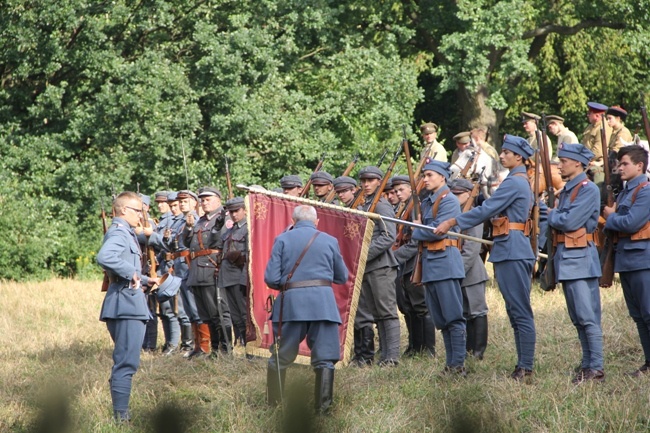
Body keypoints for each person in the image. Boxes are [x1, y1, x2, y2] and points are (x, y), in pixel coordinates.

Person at [435, 134, 536, 381]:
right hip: (508, 248)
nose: (501, 156)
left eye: (505, 153)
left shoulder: (515, 182)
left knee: (520, 311)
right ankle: (523, 365)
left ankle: (525, 367)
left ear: (519, 157)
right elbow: (492, 205)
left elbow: (488, 210)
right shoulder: (516, 180)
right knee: (515, 311)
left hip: (512, 250)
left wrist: (453, 220)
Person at [264, 205, 348, 414]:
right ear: (316, 222)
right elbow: (341, 276)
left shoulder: (282, 239)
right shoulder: (330, 240)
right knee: (326, 359)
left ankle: (274, 405)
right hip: (323, 306)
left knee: (281, 356)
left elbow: (271, 278)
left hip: (292, 306)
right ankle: (323, 409)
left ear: (293, 221)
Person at [97, 191, 159, 422]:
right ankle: (121, 417)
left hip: (126, 301)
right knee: (126, 363)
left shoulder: (126, 233)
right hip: (126, 304)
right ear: (123, 210)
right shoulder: (120, 232)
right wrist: (131, 273)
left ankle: (121, 411)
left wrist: (144, 279)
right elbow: (105, 257)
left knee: (125, 361)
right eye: (137, 211)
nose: (141, 217)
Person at [548, 143, 604, 384]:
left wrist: (551, 215)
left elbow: (570, 222)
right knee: (577, 317)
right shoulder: (570, 189)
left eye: (563, 160)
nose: (559, 164)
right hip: (568, 257)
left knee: (587, 316)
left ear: (578, 163)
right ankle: (587, 363)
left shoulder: (587, 189)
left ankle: (597, 367)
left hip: (580, 256)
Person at [411, 161, 466, 375]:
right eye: (424, 175)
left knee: (453, 316)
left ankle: (458, 364)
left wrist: (416, 230)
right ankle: (450, 364)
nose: (425, 179)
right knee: (441, 319)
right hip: (431, 264)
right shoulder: (428, 201)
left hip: (445, 263)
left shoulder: (448, 201)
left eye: (430, 175)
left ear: (443, 177)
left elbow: (437, 231)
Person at [603, 145, 650, 377]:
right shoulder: (624, 192)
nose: (620, 168)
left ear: (639, 166)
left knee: (649, 313)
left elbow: (631, 223)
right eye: (619, 164)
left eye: (625, 164)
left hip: (643, 260)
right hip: (627, 259)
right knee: (639, 316)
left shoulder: (645, 190)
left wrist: (610, 217)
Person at [356, 166, 400, 366]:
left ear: (379, 182)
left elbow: (389, 236)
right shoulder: (365, 205)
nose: (366, 184)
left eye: (371, 180)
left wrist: (363, 254)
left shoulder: (381, 205)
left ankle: (392, 357)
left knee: (387, 312)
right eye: (363, 180)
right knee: (377, 314)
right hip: (368, 267)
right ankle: (385, 355)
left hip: (381, 266)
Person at [391, 175, 436, 357]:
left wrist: (394, 258)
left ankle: (428, 349)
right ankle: (414, 346)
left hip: (415, 260)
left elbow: (416, 241)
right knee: (407, 306)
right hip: (404, 262)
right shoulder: (403, 208)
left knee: (420, 306)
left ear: (411, 189)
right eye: (395, 191)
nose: (397, 193)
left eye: (401, 189)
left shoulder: (417, 208)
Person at [183, 186, 231, 356]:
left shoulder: (224, 219)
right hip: (197, 272)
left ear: (218, 199)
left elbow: (219, 242)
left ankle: (225, 351)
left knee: (218, 312)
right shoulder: (200, 221)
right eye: (202, 200)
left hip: (213, 270)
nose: (204, 202)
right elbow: (188, 244)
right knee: (206, 314)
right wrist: (188, 228)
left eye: (208, 199)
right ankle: (215, 349)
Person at [449, 178, 489, 360]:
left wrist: (457, 271)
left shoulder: (474, 216)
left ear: (468, 194)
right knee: (464, 313)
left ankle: (478, 351)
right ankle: (466, 350)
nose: (455, 197)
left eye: (458, 194)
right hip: (457, 270)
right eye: (453, 194)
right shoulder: (453, 214)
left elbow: (472, 250)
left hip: (471, 272)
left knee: (477, 311)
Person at [218, 197, 249, 349]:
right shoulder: (230, 230)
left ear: (245, 210)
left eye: (237, 211)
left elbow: (249, 257)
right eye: (231, 212)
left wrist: (245, 280)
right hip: (227, 278)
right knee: (235, 316)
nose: (234, 214)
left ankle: (251, 348)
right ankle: (242, 345)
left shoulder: (248, 229)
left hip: (239, 277)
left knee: (244, 315)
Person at [581, 101, 611, 185]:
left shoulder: (603, 128)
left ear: (597, 116)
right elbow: (583, 144)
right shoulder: (590, 126)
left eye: (589, 113)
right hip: (587, 160)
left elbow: (598, 151)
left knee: (598, 175)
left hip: (599, 162)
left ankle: (599, 196)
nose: (587, 115)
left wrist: (584, 159)